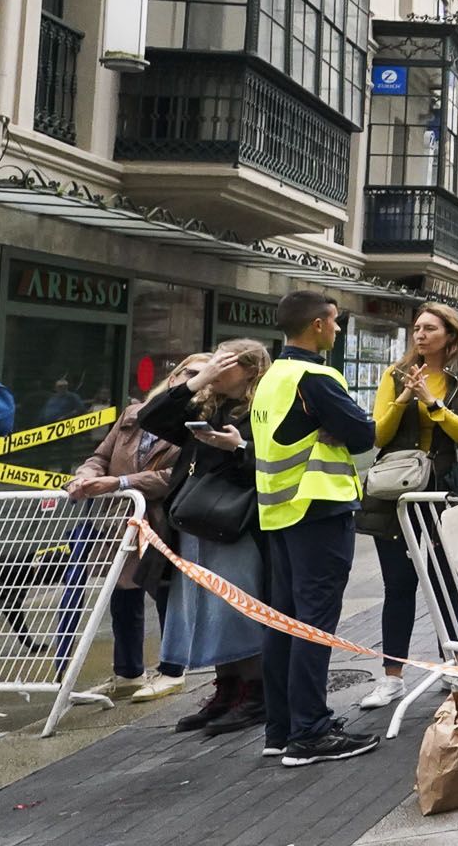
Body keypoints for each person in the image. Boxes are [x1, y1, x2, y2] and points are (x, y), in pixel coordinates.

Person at [249, 290, 379, 768]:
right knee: (314, 624)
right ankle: (310, 731)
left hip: (278, 513)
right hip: (317, 509)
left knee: (284, 622)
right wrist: (344, 426)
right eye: (335, 321)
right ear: (320, 325)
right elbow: (365, 433)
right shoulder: (316, 376)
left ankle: (280, 729)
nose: (339, 329)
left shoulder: (272, 378)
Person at [140, 342, 274, 737]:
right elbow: (152, 416)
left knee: (237, 605)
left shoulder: (261, 408)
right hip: (194, 518)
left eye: (226, 362)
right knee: (207, 606)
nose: (217, 368)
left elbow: (273, 460)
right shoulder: (207, 406)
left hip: (235, 519)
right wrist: (200, 378)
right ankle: (227, 689)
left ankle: (255, 692)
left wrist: (240, 448)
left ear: (250, 370)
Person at [360, 303, 458, 710]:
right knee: (398, 586)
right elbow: (379, 434)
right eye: (416, 328)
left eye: (429, 329)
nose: (420, 335)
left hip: (450, 490)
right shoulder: (396, 373)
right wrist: (403, 398)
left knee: (449, 585)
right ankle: (391, 678)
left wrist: (433, 402)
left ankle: (453, 666)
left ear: (450, 334)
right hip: (398, 491)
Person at [63, 357, 198, 701]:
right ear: (174, 376)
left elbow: (178, 475)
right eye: (188, 372)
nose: (194, 379)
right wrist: (87, 474)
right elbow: (100, 455)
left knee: (167, 594)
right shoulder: (133, 415)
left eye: (203, 375)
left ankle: (172, 669)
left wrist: (121, 482)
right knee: (122, 594)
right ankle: (128, 672)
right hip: (117, 521)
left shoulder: (199, 423)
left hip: (164, 524)